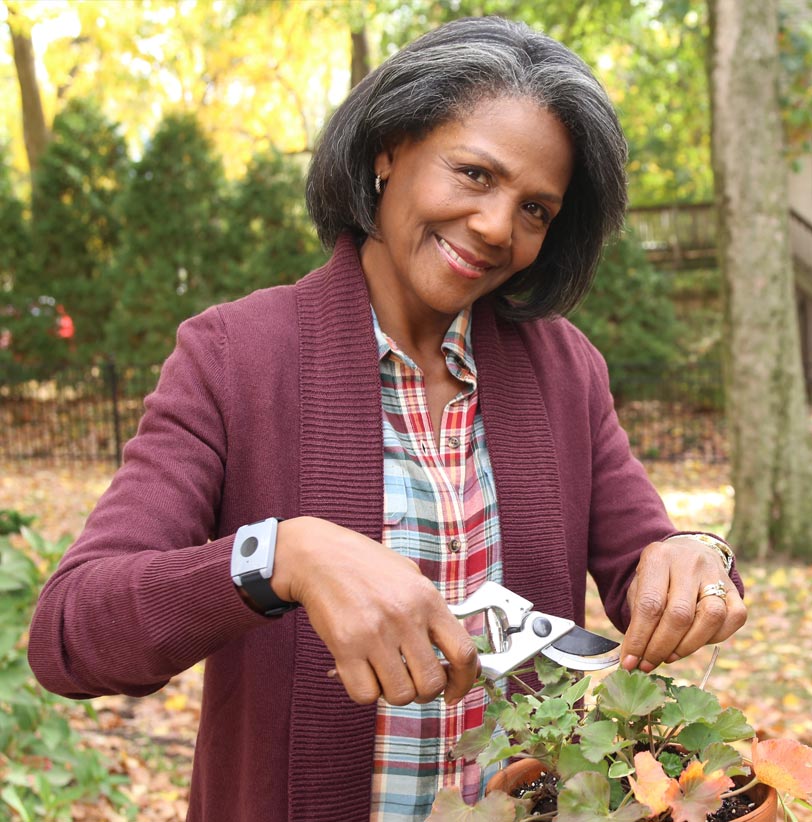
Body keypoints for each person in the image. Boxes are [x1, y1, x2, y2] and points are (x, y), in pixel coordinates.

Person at [27, 16, 746, 822]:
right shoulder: (235, 356)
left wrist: (695, 557)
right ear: (388, 150)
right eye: (473, 173)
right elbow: (71, 636)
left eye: (536, 210)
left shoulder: (562, 368)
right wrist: (281, 557)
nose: (497, 227)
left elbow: (647, 566)